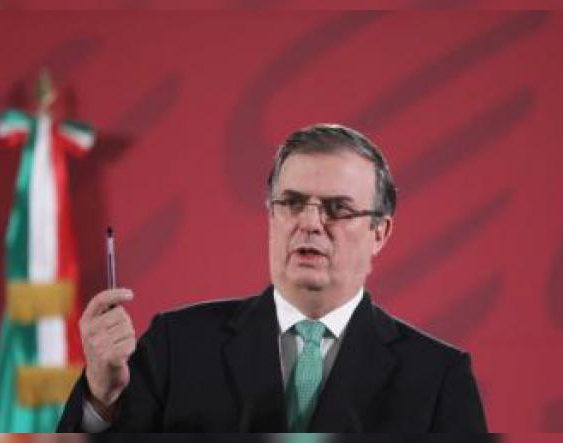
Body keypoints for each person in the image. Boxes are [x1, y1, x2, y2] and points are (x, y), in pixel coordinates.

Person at [57, 124, 487, 432]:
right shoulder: (176, 345)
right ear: (271, 215)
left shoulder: (437, 377)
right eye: (292, 203)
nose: (310, 223)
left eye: (337, 208)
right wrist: (101, 399)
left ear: (380, 232)